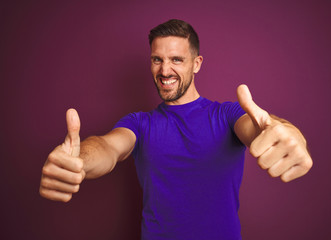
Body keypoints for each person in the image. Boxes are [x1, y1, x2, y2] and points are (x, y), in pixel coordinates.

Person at [39, 19, 312, 239]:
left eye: (176, 60)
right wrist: (79, 161)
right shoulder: (140, 123)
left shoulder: (226, 115)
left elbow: (260, 129)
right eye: (157, 59)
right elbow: (108, 147)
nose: (165, 70)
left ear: (197, 64)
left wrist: (289, 133)